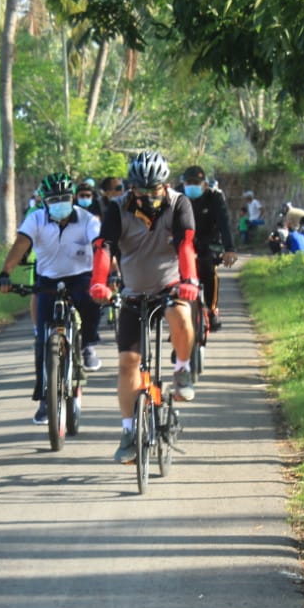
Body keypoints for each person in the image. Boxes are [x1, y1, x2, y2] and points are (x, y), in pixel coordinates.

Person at [89, 150, 200, 464]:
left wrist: (189, 279)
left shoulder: (180, 204)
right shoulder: (117, 207)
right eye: (142, 190)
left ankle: (182, 370)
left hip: (171, 285)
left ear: (164, 185)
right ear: (130, 187)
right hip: (133, 291)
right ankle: (127, 432)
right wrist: (99, 281)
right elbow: (105, 245)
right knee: (128, 362)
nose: (149, 196)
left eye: (155, 189)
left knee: (180, 314)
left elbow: (185, 243)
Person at [0, 173, 104, 424]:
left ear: (72, 198)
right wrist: (5, 273)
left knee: (90, 303)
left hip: (81, 276)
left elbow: (100, 246)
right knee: (42, 338)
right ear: (44, 200)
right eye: (54, 199)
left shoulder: (87, 219)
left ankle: (87, 344)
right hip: (48, 280)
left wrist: (108, 276)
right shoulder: (35, 219)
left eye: (64, 198)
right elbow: (21, 244)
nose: (60, 203)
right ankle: (45, 399)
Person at [180, 165, 237, 331]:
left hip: (209, 243)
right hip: (184, 243)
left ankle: (212, 311)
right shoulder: (177, 197)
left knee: (209, 271)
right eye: (188, 182)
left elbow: (224, 224)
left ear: (204, 184)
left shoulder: (214, 198)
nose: (192, 185)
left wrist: (229, 248)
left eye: (196, 182)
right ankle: (180, 323)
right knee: (176, 277)